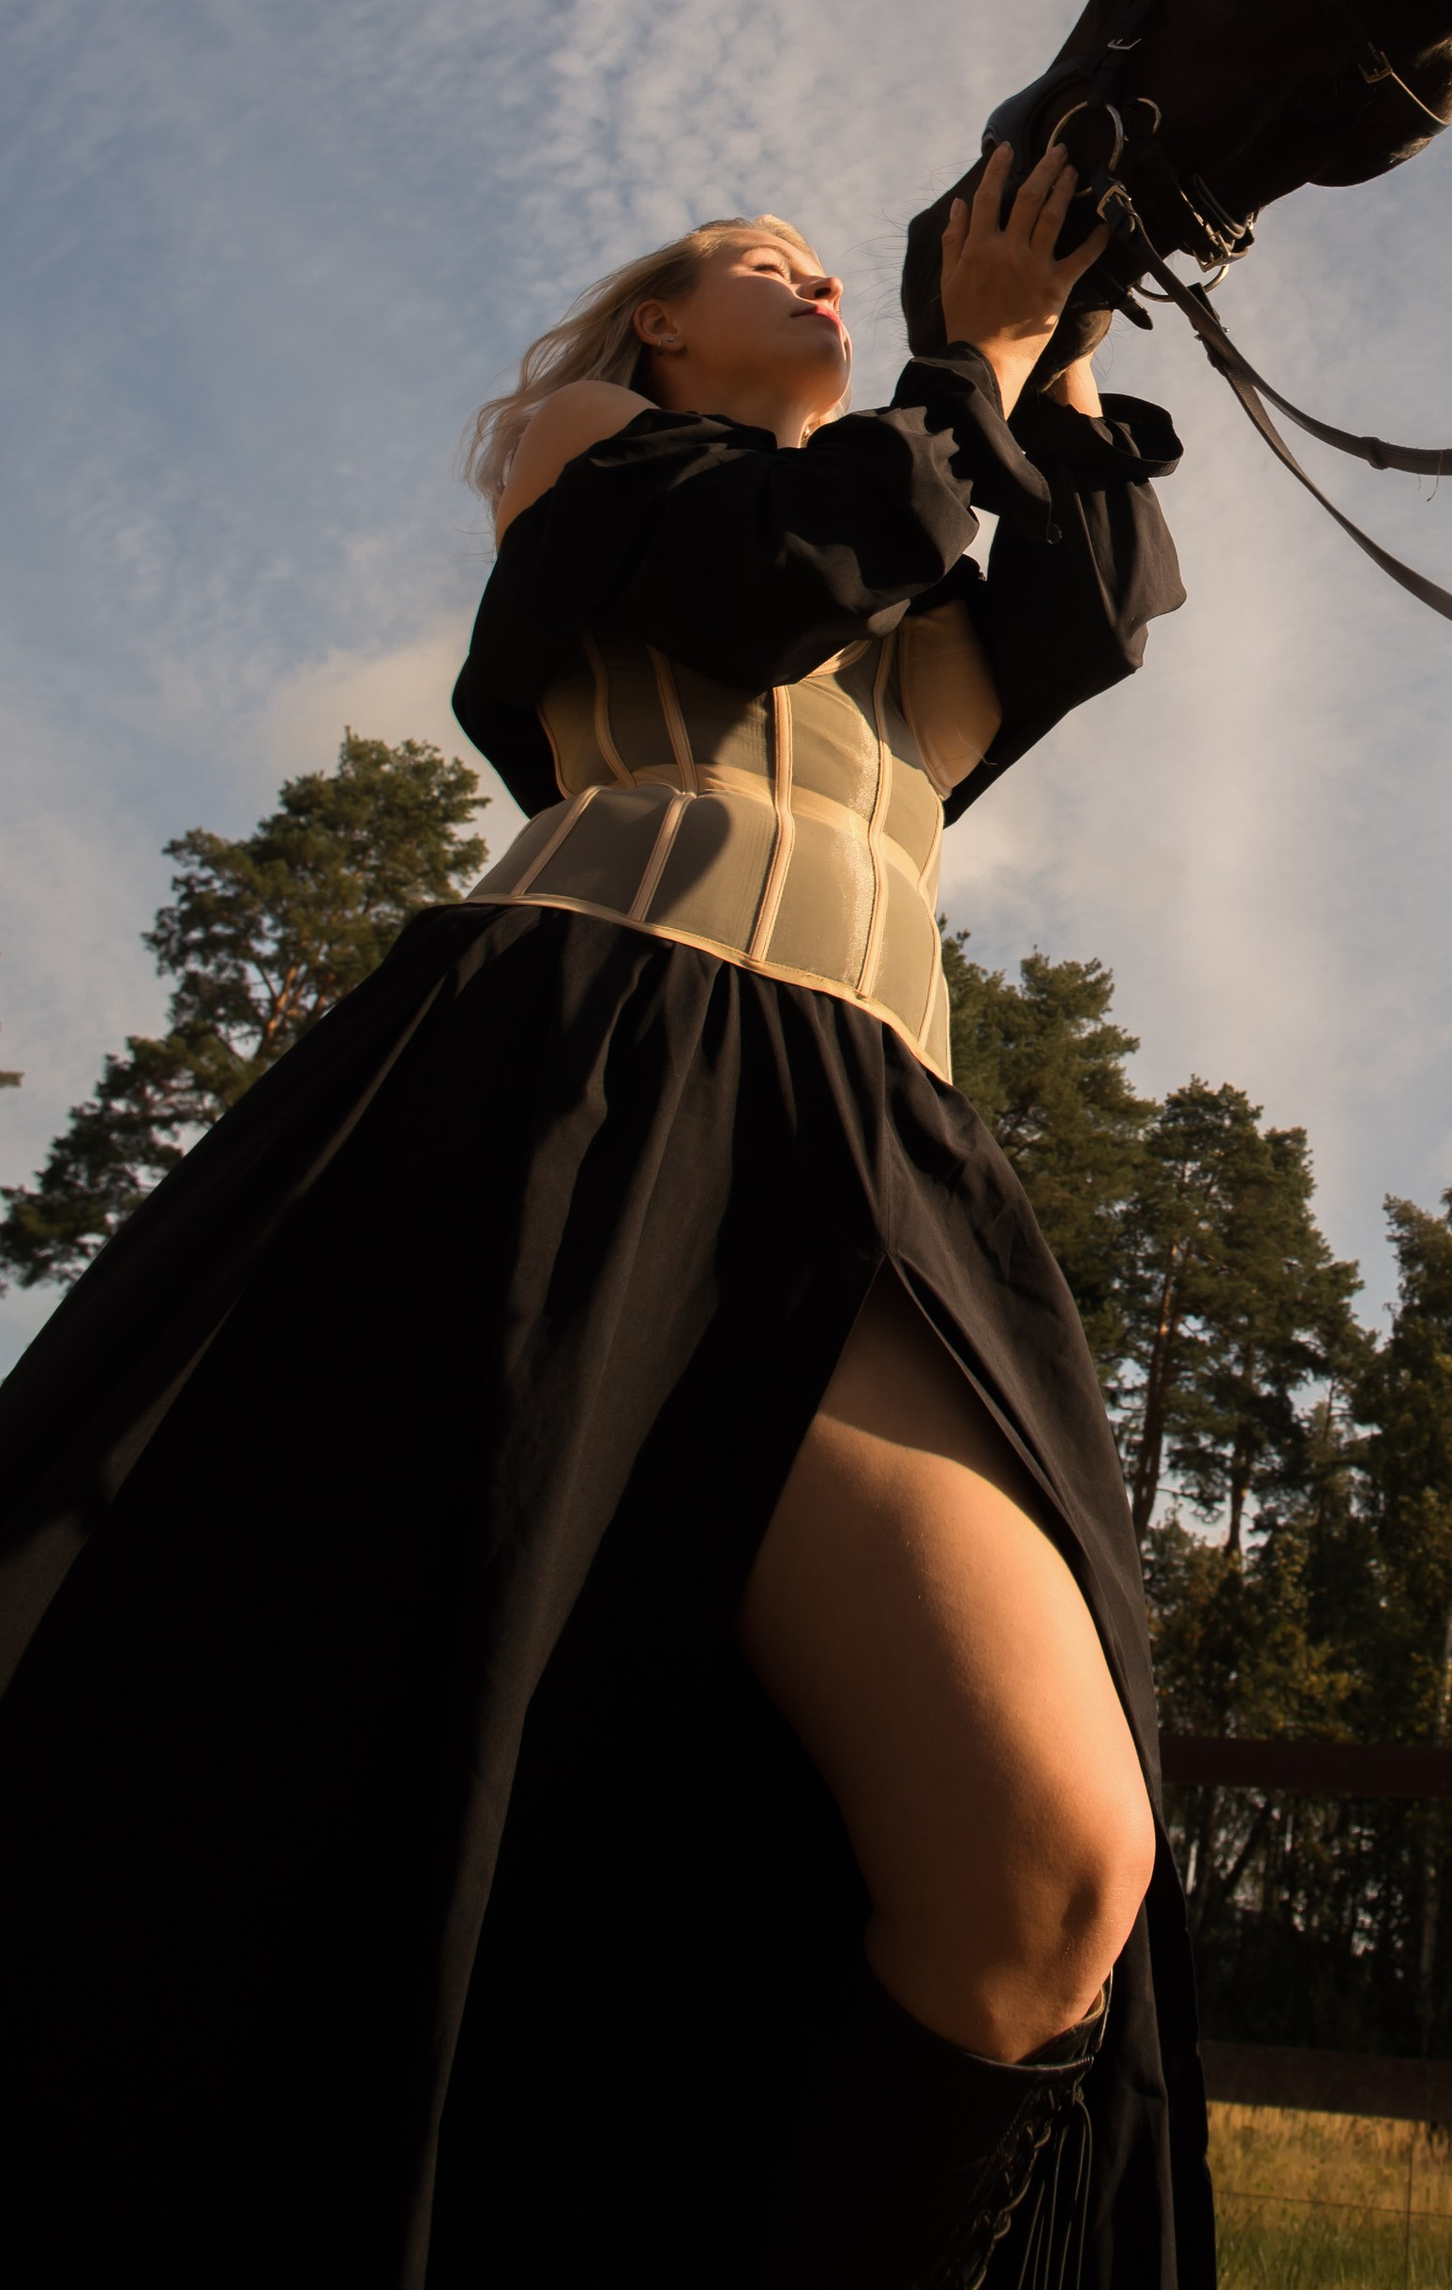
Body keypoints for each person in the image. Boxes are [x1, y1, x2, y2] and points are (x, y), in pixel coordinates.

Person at [0, 149, 1210, 2290]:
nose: (816, 274)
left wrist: (1068, 355)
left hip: (865, 1131)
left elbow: (1080, 613)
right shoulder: (596, 454)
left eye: (835, 269)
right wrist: (970, 356)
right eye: (765, 264)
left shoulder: (902, 527)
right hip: (570, 1084)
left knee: (1049, 1871)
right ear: (658, 325)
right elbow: (768, 585)